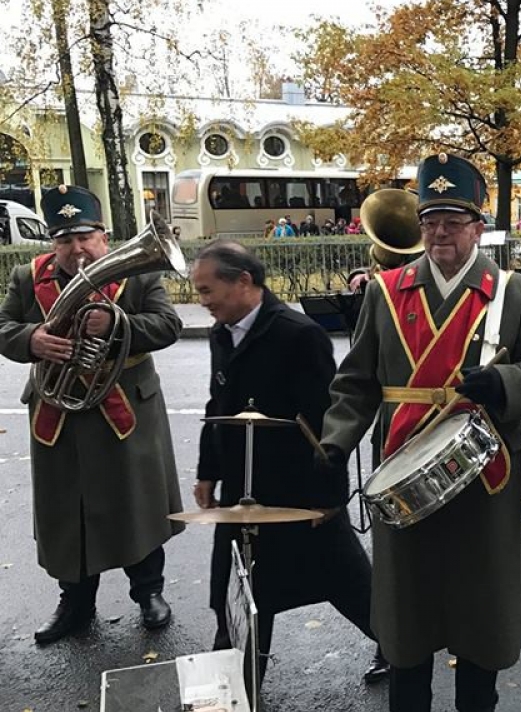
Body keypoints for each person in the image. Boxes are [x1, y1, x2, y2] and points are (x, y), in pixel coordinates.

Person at [319, 153, 521, 712]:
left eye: (454, 219)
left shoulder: (515, 293)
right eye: (431, 220)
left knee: (483, 591)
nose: (440, 232)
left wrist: (504, 386)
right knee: (408, 595)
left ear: (479, 227)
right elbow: (357, 382)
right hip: (403, 462)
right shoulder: (385, 291)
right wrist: (334, 440)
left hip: (486, 466)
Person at [191, 241, 388, 684]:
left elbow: (327, 419)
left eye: (207, 291)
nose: (203, 302)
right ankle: (235, 688)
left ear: (244, 281)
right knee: (237, 589)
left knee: (351, 585)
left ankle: (399, 650)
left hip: (302, 491)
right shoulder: (221, 333)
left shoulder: (300, 335)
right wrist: (208, 471)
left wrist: (329, 497)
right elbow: (216, 403)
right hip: (243, 491)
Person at [0, 184, 181, 643]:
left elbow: (168, 324)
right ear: (52, 242)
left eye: (85, 237)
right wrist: (32, 340)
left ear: (102, 235)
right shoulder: (28, 276)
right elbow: (2, 327)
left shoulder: (137, 274)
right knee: (68, 511)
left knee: (134, 504)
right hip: (58, 414)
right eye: (64, 240)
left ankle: (149, 593)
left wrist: (118, 324)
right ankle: (75, 604)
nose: (76, 249)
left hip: (124, 411)